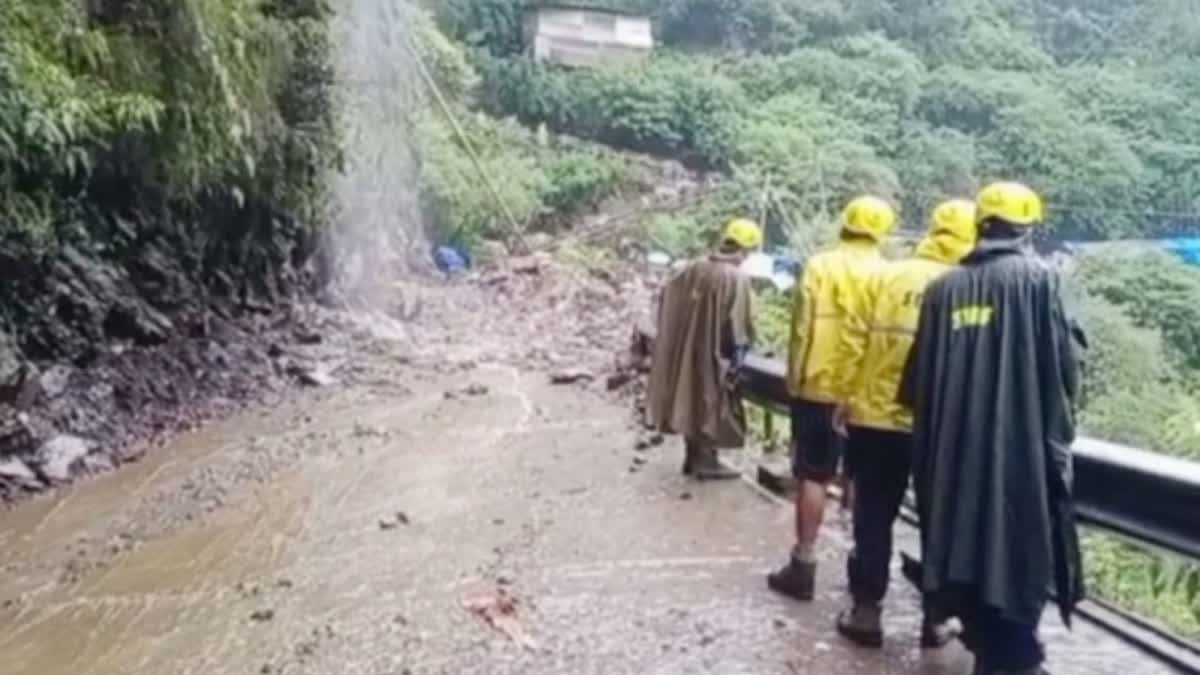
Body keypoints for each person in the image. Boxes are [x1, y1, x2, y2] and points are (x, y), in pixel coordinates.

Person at [899, 182, 1086, 675]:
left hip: (948, 457)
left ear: (980, 225)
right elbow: (1065, 370)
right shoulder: (1039, 281)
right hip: (1018, 453)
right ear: (1027, 229)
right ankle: (1014, 656)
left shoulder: (941, 291)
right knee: (1016, 548)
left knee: (959, 549)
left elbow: (914, 385)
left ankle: (991, 649)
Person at [830, 199, 979, 649]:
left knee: (873, 515)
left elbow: (854, 339)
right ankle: (935, 620)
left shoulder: (887, 276)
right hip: (941, 429)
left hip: (875, 419)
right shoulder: (970, 287)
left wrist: (845, 396)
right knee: (941, 522)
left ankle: (867, 610)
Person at [767, 196, 896, 600]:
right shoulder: (888, 274)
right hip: (866, 397)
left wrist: (795, 378)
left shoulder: (820, 265)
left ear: (846, 223)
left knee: (814, 474)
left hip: (818, 389)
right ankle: (861, 570)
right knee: (865, 482)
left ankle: (803, 563)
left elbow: (802, 328)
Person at [645, 218, 762, 480]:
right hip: (714, 351)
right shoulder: (736, 278)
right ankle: (706, 461)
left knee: (690, 396)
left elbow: (668, 294)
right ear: (746, 250)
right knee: (711, 401)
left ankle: (693, 457)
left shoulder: (693, 267)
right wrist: (737, 355)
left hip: (687, 347)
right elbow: (738, 324)